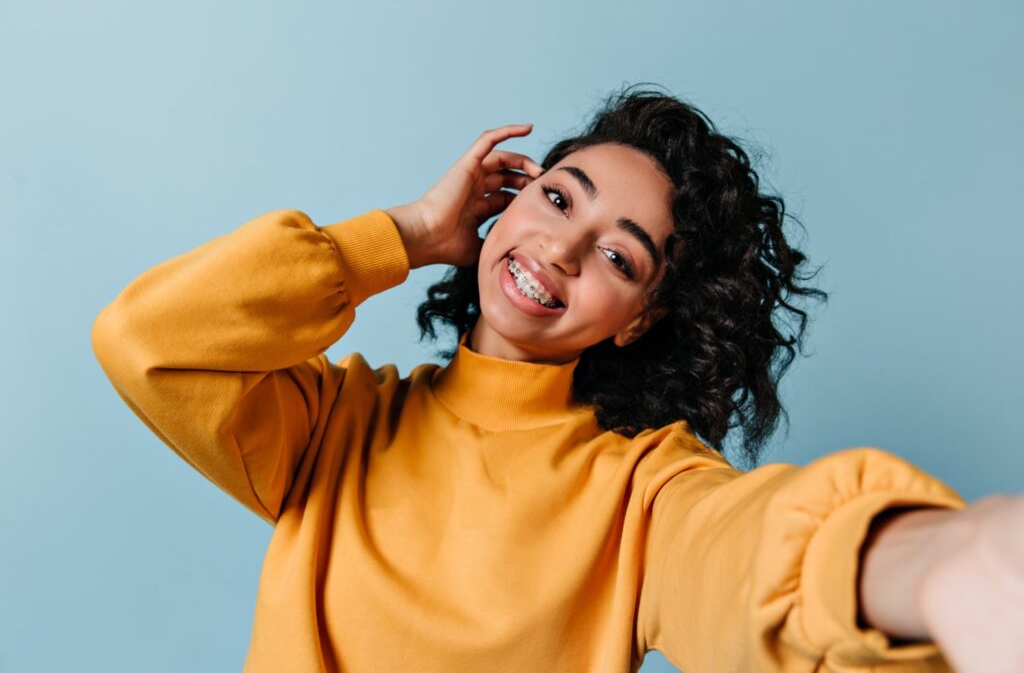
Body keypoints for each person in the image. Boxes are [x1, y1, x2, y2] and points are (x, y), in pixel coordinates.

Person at [91, 84, 1023, 672]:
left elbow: (750, 557)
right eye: (556, 197)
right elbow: (149, 338)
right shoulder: (331, 425)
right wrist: (408, 234)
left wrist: (945, 560)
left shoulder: (644, 493)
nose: (562, 250)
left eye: (620, 259)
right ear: (504, 199)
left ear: (642, 321)